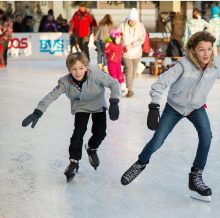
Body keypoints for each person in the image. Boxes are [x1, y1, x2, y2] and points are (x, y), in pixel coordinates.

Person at [120, 31, 220, 202]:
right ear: (193, 50)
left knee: (207, 137)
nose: (206, 53)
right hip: (174, 107)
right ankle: (140, 163)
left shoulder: (215, 65)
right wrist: (154, 105)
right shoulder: (183, 65)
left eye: (209, 49)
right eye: (202, 49)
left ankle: (196, 176)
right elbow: (160, 83)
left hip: (196, 107)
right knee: (158, 140)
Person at [21, 52, 120, 182]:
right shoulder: (64, 82)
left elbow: (114, 83)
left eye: (81, 68)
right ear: (69, 69)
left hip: (98, 105)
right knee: (78, 134)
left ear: (86, 67)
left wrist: (114, 101)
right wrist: (38, 112)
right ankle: (74, 162)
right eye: (73, 69)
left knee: (100, 133)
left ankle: (91, 148)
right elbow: (51, 96)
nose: (77, 72)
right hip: (80, 107)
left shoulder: (95, 74)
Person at [118, 8, 146, 97]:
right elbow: (116, 36)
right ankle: (129, 89)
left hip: (137, 52)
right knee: (129, 70)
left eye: (134, 21)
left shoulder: (140, 26)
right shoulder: (122, 26)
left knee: (134, 72)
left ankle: (129, 86)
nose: (132, 22)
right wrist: (120, 43)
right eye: (131, 21)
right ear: (128, 19)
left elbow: (142, 39)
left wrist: (133, 44)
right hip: (126, 53)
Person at [104, 29, 127, 95]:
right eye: (117, 39)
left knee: (120, 75)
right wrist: (106, 47)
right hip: (112, 63)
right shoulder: (110, 45)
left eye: (120, 39)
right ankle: (113, 89)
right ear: (113, 39)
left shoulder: (119, 45)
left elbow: (121, 51)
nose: (119, 40)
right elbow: (106, 51)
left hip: (118, 63)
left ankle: (123, 87)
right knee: (113, 76)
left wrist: (125, 49)